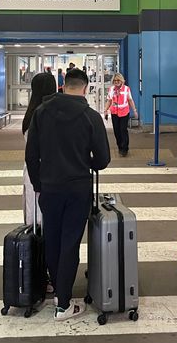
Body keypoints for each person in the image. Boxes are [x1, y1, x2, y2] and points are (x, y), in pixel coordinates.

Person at [25, 69, 110, 321]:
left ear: (63, 85)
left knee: (52, 239)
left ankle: (58, 293)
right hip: (77, 188)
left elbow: (31, 155)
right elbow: (103, 159)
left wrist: (39, 182)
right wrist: (86, 162)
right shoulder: (91, 117)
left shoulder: (41, 112)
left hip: (49, 187)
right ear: (85, 87)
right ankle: (63, 303)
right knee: (70, 242)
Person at [21, 72, 57, 227]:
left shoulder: (31, 113)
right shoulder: (50, 114)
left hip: (31, 170)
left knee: (34, 215)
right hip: (48, 170)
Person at [104, 73, 138, 157]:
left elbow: (130, 100)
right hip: (114, 113)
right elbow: (109, 100)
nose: (116, 82)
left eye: (118, 80)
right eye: (115, 80)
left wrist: (134, 110)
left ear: (121, 80)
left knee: (123, 130)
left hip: (124, 112)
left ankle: (125, 148)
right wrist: (105, 110)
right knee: (116, 131)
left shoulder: (126, 89)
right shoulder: (111, 89)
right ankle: (120, 146)